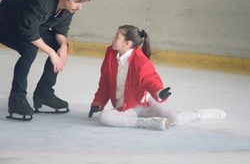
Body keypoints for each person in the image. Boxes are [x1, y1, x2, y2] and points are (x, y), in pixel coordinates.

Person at [88, 25, 226, 130]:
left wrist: (160, 92)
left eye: (117, 36)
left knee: (175, 119)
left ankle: (199, 114)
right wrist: (98, 103)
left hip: (145, 103)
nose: (113, 39)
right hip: (127, 107)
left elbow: (150, 79)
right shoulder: (111, 53)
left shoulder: (140, 61)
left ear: (127, 43)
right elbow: (105, 81)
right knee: (105, 117)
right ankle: (145, 123)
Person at [0, 0, 91, 121]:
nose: (80, 7)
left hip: (30, 25)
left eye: (82, 3)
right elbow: (29, 33)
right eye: (77, 2)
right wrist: (51, 53)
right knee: (29, 49)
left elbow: (60, 31)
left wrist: (63, 47)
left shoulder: (68, 9)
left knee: (57, 45)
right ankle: (16, 100)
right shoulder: (41, 1)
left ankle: (44, 93)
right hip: (6, 24)